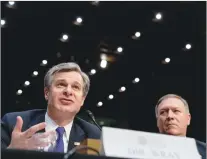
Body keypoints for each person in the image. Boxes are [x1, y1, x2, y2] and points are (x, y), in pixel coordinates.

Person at [1, 62, 101, 153]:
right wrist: (11, 152)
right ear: (47, 93)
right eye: (61, 84)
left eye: (75, 87)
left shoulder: (93, 134)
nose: (68, 91)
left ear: (82, 99)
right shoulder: (12, 123)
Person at [155, 94, 206, 159]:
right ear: (157, 121)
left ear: (188, 119)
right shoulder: (142, 150)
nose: (170, 116)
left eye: (176, 111)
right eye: (163, 112)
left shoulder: (205, 150)